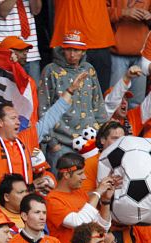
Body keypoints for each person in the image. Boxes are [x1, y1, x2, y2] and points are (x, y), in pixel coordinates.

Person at [39, 30, 108, 166]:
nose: (72, 54)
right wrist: (52, 143)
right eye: (68, 49)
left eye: (76, 50)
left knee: (88, 184)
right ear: (62, 49)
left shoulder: (89, 69)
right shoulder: (51, 70)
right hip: (61, 143)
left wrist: (102, 135)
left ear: (83, 51)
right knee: (63, 184)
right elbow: (43, 106)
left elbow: (98, 103)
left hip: (90, 141)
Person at [45, 153, 113, 243]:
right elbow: (78, 223)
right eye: (80, 173)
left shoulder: (80, 193)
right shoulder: (52, 200)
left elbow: (101, 227)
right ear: (66, 174)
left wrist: (106, 201)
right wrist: (98, 192)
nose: (84, 177)